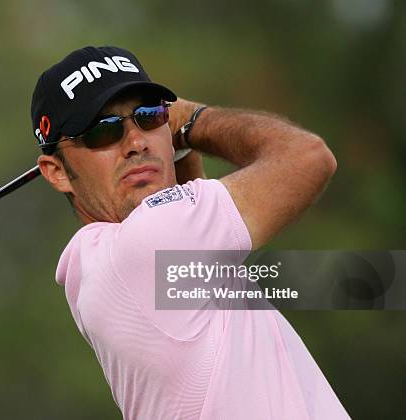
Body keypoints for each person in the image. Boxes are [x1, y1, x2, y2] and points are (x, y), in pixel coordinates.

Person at [30, 46, 350, 419]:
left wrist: (176, 142)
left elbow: (189, 218)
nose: (136, 143)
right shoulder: (149, 242)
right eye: (104, 131)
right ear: (57, 171)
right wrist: (193, 121)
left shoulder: (92, 264)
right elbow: (309, 158)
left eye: (149, 116)